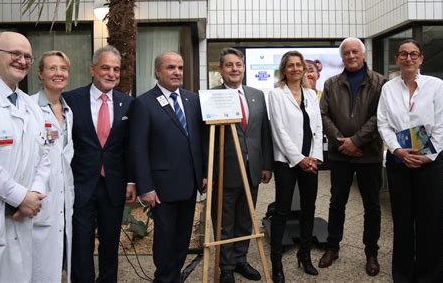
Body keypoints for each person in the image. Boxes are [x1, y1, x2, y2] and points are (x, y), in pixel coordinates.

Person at [0, 31, 50, 282]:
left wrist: (35, 194)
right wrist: (20, 197)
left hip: (24, 215)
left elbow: (45, 154)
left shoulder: (29, 104)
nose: (22, 60)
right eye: (15, 54)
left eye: (27, 56)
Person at [377, 39, 443, 282]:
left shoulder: (435, 85)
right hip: (399, 162)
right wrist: (398, 151)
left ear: (421, 59)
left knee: (431, 222)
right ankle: (404, 275)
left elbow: (441, 124)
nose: (408, 58)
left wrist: (427, 156)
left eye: (414, 54)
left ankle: (430, 277)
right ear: (397, 58)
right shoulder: (388, 88)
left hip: (429, 163)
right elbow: (383, 123)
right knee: (403, 221)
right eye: (403, 54)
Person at [63, 45, 136, 282]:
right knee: (81, 243)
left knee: (110, 244)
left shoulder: (128, 104)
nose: (111, 73)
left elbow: (130, 147)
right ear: (93, 69)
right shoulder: (71, 100)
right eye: (105, 68)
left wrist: (132, 180)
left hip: (114, 185)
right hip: (81, 184)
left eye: (116, 69)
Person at [133, 51, 207, 282]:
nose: (177, 72)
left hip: (189, 185)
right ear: (157, 71)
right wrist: (145, 187)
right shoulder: (143, 103)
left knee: (183, 238)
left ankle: (174, 276)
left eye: (180, 68)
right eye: (170, 67)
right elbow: (139, 149)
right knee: (165, 239)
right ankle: (164, 277)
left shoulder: (193, 100)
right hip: (161, 189)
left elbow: (200, 140)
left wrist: (203, 174)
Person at [319, 37, 386, 276]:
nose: (350, 56)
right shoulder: (331, 84)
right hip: (339, 156)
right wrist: (342, 142)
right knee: (337, 203)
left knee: (372, 206)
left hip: (369, 155)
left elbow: (380, 117)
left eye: (355, 51)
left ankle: (371, 253)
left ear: (363, 54)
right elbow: (324, 115)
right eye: (346, 53)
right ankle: (332, 247)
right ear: (342, 57)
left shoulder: (381, 83)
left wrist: (356, 141)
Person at [211, 47, 273, 283]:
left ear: (244, 67)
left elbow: (263, 132)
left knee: (246, 218)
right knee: (224, 220)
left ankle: (240, 259)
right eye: (229, 65)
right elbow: (207, 138)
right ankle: (225, 266)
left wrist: (267, 165)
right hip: (225, 170)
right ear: (221, 70)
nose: (234, 69)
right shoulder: (212, 96)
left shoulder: (257, 94)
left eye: (238, 64)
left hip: (253, 169)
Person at [268, 51, 323, 282]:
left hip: (310, 161)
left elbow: (318, 128)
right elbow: (279, 131)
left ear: (304, 68)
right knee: (281, 211)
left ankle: (305, 255)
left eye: (298, 65)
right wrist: (299, 158)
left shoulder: (311, 94)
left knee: (308, 209)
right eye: (290, 65)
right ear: (284, 69)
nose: (295, 69)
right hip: (287, 162)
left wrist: (314, 157)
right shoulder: (276, 94)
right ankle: (277, 263)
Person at [31, 51, 74, 283]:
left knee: (58, 264)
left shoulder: (69, 112)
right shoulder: (29, 108)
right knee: (37, 266)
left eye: (63, 68)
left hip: (63, 199)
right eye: (52, 68)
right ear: (40, 74)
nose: (59, 73)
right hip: (39, 198)